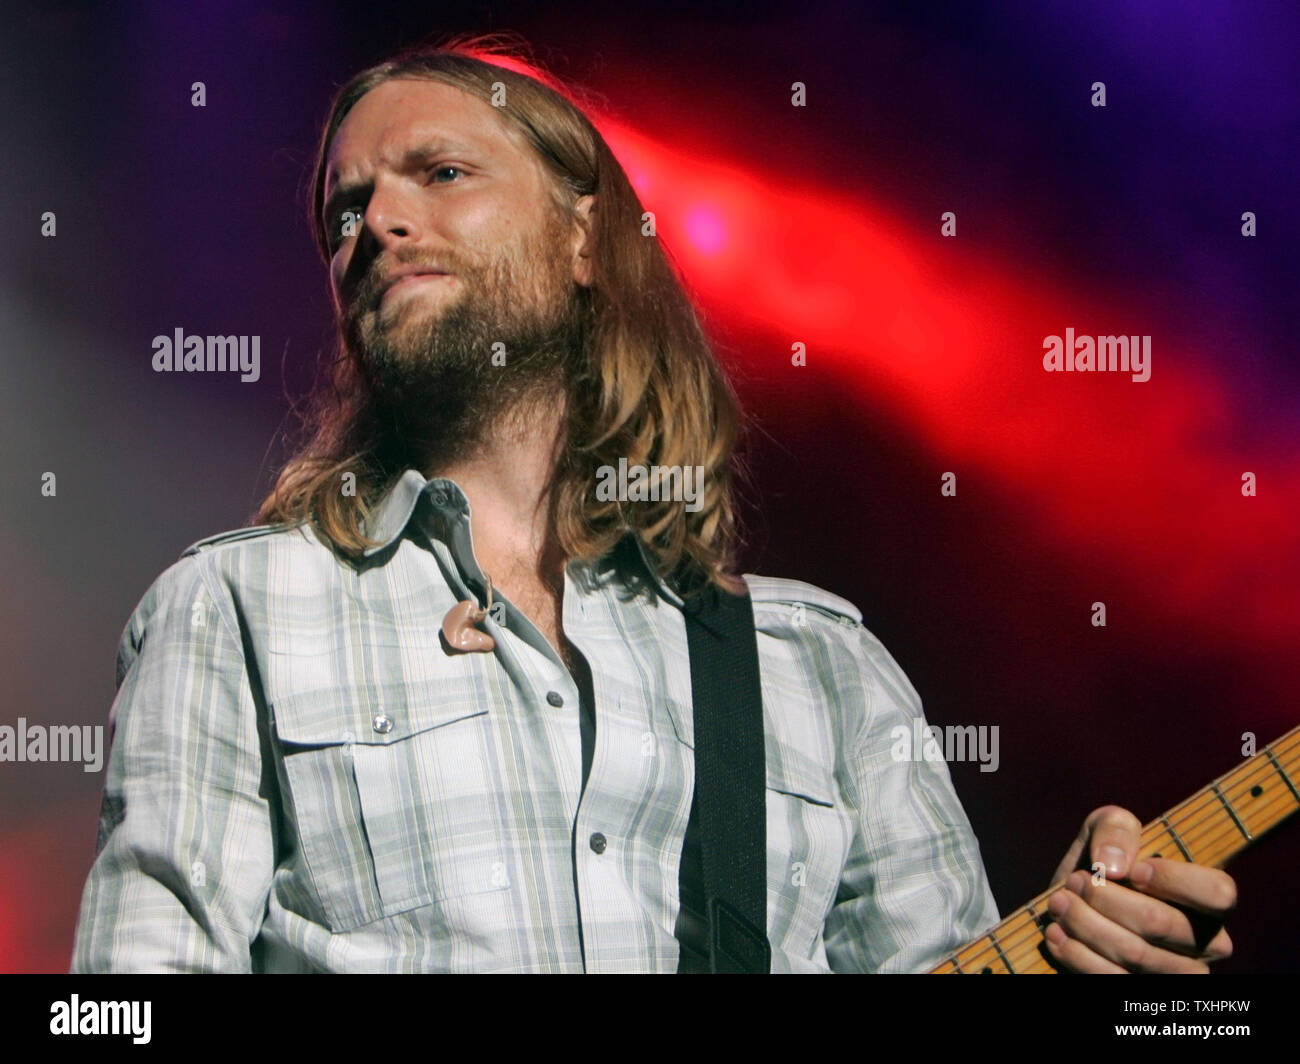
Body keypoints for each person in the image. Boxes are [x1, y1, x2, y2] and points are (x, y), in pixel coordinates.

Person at [70, 36, 1236, 974]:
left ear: (585, 234)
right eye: (345, 208)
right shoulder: (235, 607)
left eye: (440, 172)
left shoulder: (812, 663)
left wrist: (1114, 971)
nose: (373, 221)